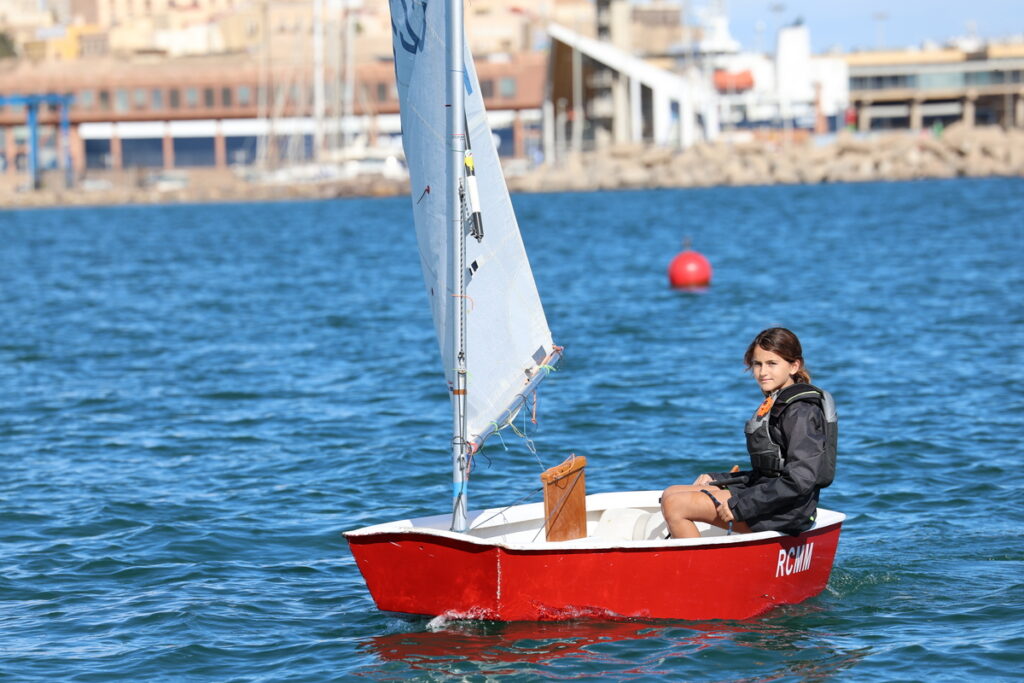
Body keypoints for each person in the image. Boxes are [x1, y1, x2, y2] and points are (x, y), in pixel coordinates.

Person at [661, 327, 837, 539]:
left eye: (772, 363)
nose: (763, 372)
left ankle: (704, 572)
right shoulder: (776, 401)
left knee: (676, 505)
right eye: (757, 364)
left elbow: (800, 480)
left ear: (794, 366)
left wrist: (741, 506)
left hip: (786, 511)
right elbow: (768, 473)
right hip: (768, 498)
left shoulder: (800, 412)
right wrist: (718, 479)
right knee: (672, 493)